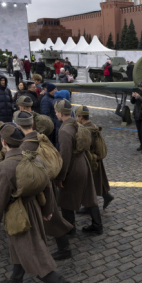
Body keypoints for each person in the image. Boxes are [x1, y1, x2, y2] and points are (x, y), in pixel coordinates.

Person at [0, 123, 80, 283]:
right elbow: (47, 188)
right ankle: (16, 280)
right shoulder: (35, 159)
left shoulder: (4, 167)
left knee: (35, 257)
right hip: (35, 209)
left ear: (4, 142)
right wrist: (47, 212)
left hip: (18, 215)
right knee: (20, 248)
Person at [55, 99, 102, 234]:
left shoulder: (64, 130)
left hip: (74, 167)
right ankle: (97, 226)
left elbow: (65, 156)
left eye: (56, 112)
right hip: (84, 163)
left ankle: (70, 230)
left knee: (66, 200)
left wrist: (61, 177)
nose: (56, 114)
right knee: (89, 196)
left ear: (60, 113)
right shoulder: (76, 124)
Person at [75, 105, 115, 209]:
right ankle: (106, 197)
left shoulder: (87, 130)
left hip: (91, 160)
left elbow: (85, 146)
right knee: (96, 181)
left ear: (81, 117)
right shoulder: (92, 125)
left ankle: (89, 207)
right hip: (95, 159)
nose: (76, 119)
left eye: (77, 117)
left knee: (89, 184)